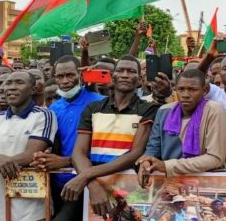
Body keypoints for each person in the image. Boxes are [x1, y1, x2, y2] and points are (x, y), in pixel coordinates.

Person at [62, 55, 158, 218]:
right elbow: (79, 153)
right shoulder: (93, 108)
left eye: (131, 71)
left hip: (127, 188)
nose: (125, 75)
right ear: (112, 76)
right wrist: (93, 185)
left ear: (140, 79)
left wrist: (86, 175)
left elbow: (135, 154)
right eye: (120, 70)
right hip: (90, 187)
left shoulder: (148, 109)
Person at [0, 72, 57, 221]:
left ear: (33, 89)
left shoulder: (43, 115)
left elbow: (30, 155)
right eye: (8, 83)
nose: (11, 87)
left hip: (32, 206)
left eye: (19, 82)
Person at [30, 55, 104, 221]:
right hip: (60, 183)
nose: (65, 81)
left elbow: (104, 149)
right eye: (60, 76)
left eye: (70, 75)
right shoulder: (54, 108)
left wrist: (65, 161)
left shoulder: (100, 103)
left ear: (80, 74)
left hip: (90, 181)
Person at [137, 69, 226, 183]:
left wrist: (167, 166)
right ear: (175, 90)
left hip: (204, 181)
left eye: (192, 90)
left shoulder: (214, 111)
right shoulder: (164, 111)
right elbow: (153, 148)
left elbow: (215, 158)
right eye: (181, 89)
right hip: (170, 182)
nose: (185, 95)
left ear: (204, 90)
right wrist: (146, 161)